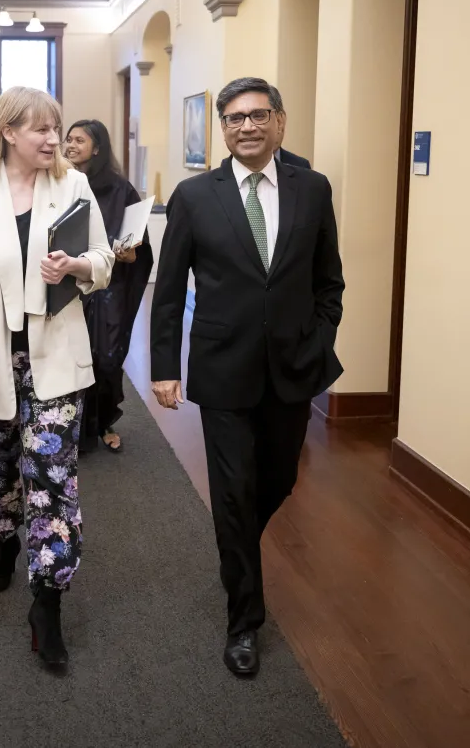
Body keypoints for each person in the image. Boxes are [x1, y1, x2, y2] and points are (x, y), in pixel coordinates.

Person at [150, 77, 344, 678]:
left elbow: (328, 280)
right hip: (222, 367)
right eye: (233, 119)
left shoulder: (312, 189)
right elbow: (170, 288)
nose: (247, 127)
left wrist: (320, 336)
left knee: (279, 479)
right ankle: (244, 620)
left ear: (280, 121)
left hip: (293, 366)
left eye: (259, 115)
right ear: (223, 129)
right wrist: (163, 368)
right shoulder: (193, 196)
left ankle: (235, 548)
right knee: (232, 492)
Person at [0, 86, 114, 671]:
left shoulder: (73, 186)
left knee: (54, 478)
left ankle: (48, 602)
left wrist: (78, 264)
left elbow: (105, 260)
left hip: (55, 360)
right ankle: (6, 540)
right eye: (41, 130)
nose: (53, 140)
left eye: (57, 129)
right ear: (7, 132)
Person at [64, 119, 153, 454]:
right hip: (69, 283)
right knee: (72, 356)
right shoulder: (59, 183)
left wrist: (127, 254)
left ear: (97, 148)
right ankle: (72, 425)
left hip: (109, 287)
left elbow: (138, 251)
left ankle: (102, 422)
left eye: (79, 140)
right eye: (68, 140)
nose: (70, 146)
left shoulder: (120, 189)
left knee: (106, 359)